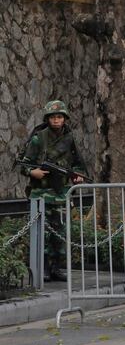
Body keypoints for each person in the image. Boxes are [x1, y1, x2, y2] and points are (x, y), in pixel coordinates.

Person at [18, 100, 87, 281]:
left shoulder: (70, 139)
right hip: (41, 194)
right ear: (47, 119)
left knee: (61, 232)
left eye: (59, 117)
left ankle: (57, 267)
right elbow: (23, 163)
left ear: (64, 119)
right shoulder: (38, 138)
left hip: (61, 194)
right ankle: (43, 268)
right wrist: (33, 172)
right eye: (53, 117)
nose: (56, 120)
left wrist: (78, 176)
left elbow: (79, 164)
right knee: (43, 232)